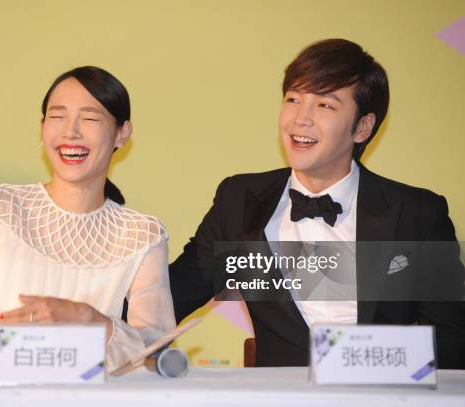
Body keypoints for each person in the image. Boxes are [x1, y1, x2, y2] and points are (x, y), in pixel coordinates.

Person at [169, 39, 465, 368]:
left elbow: (454, 336)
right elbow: (172, 297)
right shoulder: (239, 200)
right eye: (293, 99)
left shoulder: (417, 213)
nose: (301, 118)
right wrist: (104, 322)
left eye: (325, 105)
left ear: (363, 127)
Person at [0, 66, 176, 370]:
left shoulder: (142, 235)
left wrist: (90, 319)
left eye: (90, 118)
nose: (71, 131)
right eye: (57, 116)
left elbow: (154, 347)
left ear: (122, 133)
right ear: (42, 128)